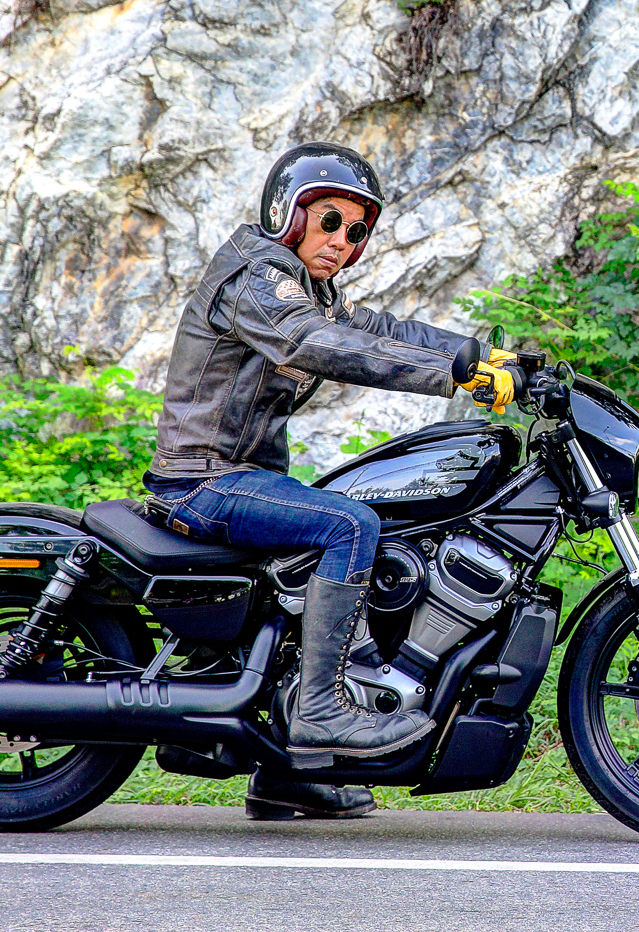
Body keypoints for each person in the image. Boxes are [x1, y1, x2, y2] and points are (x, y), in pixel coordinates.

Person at [140, 142, 513, 821]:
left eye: (357, 230)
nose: (342, 240)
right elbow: (317, 344)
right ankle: (319, 710)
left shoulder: (309, 292)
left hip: (242, 478)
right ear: (289, 214)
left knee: (366, 519)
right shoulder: (258, 276)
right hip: (204, 480)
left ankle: (285, 772)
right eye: (330, 220)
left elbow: (378, 329)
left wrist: (485, 356)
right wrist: (451, 375)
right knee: (349, 522)